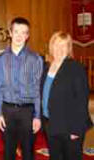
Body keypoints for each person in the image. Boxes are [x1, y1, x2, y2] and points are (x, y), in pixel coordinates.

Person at [0, 17, 43, 160]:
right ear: (10, 33)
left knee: (28, 151)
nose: (19, 36)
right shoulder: (2, 59)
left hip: (27, 111)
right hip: (7, 110)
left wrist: (37, 116)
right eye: (16, 32)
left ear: (28, 36)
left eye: (24, 33)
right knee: (8, 151)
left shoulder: (35, 59)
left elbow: (37, 89)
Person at [42, 31, 93, 160]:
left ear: (69, 48)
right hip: (51, 124)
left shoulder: (76, 68)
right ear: (51, 46)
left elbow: (81, 100)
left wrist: (76, 129)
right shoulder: (47, 67)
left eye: (64, 45)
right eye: (57, 44)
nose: (59, 49)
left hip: (69, 127)